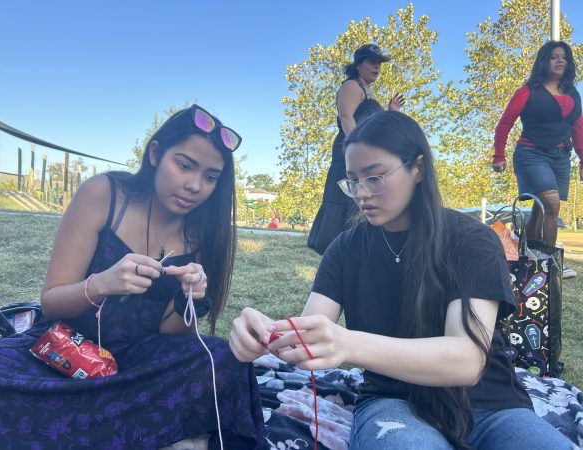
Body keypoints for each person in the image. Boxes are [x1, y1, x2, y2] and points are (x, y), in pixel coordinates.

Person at [231, 111, 573, 449]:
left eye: (375, 177)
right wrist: (265, 334)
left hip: (491, 405)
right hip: (392, 401)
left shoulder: (470, 238)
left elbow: (467, 360)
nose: (361, 192)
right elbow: (312, 331)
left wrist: (349, 344)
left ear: (418, 168)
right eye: (352, 180)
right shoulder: (345, 249)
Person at [0, 105, 266, 450]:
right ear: (155, 154)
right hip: (65, 350)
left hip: (137, 365)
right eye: (184, 165)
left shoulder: (202, 233)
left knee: (227, 361)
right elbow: (52, 302)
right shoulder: (104, 194)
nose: (195, 186)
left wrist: (190, 297)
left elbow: (170, 336)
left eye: (210, 177)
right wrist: (102, 284)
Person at [492, 40, 582, 279]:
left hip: (561, 157)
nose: (560, 60)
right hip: (531, 154)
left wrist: (582, 159)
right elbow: (505, 122)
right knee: (551, 204)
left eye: (564, 56)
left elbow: (578, 128)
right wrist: (498, 155)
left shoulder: (573, 94)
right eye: (554, 56)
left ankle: (530, 256)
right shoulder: (528, 91)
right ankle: (552, 264)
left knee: (541, 210)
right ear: (544, 61)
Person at [307, 43, 405, 255]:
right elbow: (346, 117)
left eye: (379, 64)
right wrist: (356, 148)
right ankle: (340, 253)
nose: (377, 67)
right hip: (349, 153)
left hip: (365, 155)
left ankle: (358, 250)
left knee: (364, 198)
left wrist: (391, 111)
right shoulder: (352, 86)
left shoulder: (369, 92)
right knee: (348, 198)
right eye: (371, 62)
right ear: (358, 64)